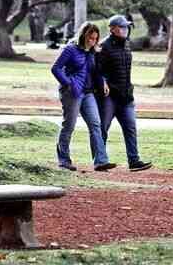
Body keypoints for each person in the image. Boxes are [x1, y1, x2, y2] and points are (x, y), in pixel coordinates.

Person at [51, 22, 116, 172]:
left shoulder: (93, 52)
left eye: (95, 38)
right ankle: (64, 160)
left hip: (88, 93)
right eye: (90, 38)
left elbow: (95, 71)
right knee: (69, 126)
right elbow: (56, 68)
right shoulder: (70, 49)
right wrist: (68, 83)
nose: (92, 41)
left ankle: (100, 161)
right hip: (72, 93)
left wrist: (103, 83)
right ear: (83, 36)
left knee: (95, 124)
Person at [96, 14, 152, 172]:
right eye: (122, 27)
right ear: (112, 29)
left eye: (126, 27)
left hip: (126, 95)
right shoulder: (103, 46)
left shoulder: (126, 44)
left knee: (131, 128)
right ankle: (100, 161)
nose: (125, 29)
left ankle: (134, 161)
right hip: (109, 97)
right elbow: (97, 70)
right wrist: (104, 83)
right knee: (103, 128)